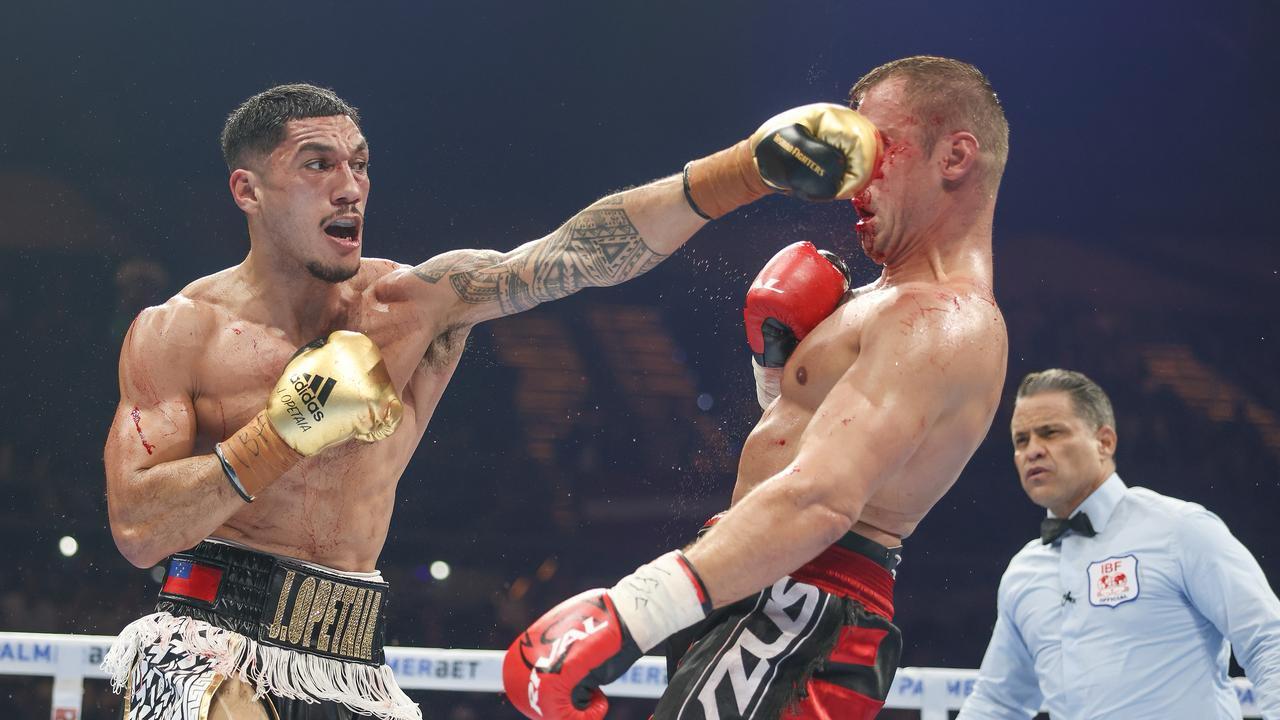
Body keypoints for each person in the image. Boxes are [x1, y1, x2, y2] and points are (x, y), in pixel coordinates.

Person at [99, 82, 882, 720]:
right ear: (248, 188)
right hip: (208, 639)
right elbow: (138, 527)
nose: (350, 186)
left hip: (353, 659)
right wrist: (279, 433)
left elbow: (573, 256)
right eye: (316, 164)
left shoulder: (413, 303)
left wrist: (747, 169)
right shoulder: (181, 333)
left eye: (360, 163)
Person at [502, 55, 1010, 720]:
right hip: (766, 588)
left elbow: (824, 499)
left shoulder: (942, 319)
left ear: (955, 156)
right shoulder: (884, 303)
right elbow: (802, 452)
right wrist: (775, 373)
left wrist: (632, 612)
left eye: (878, 148)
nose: (852, 173)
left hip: (804, 607)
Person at [956, 369, 1280, 719]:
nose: (1033, 450)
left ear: (1104, 442)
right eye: (1021, 440)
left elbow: (1267, 639)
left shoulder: (1179, 529)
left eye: (1050, 432)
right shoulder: (1023, 573)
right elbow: (998, 701)